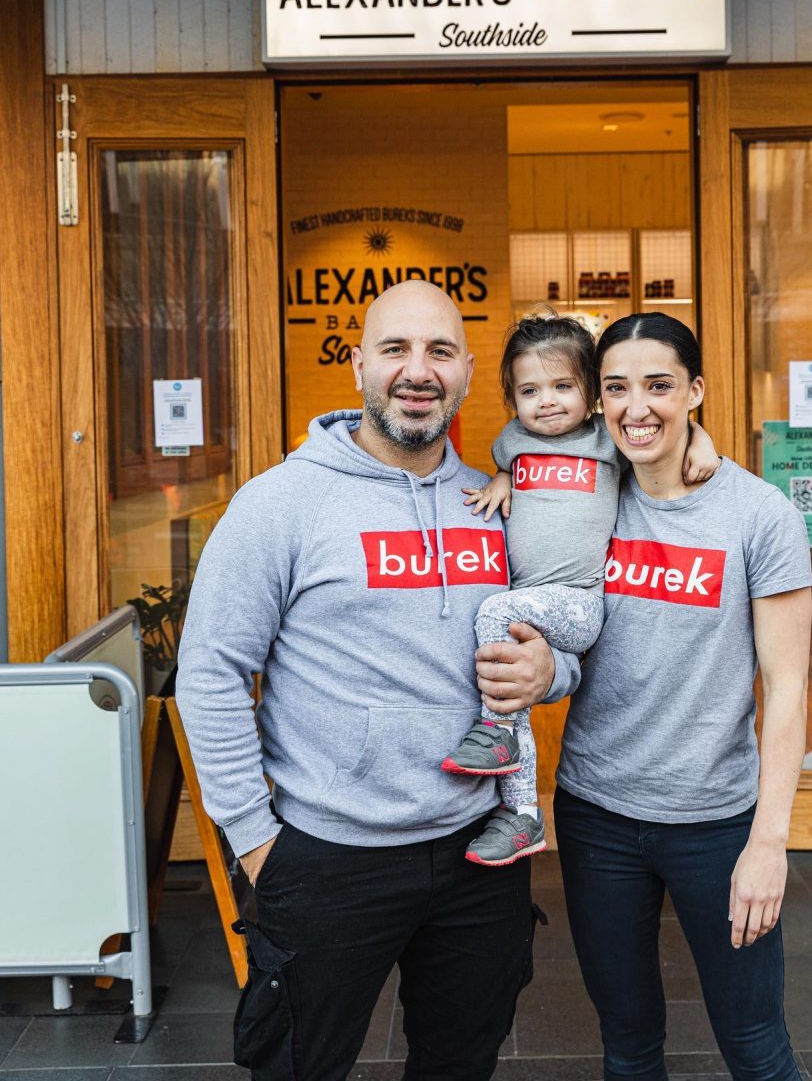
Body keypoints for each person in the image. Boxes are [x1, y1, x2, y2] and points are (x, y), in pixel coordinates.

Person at [175, 281, 581, 1081]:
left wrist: (550, 669)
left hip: (477, 849)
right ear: (358, 363)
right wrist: (256, 842)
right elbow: (211, 672)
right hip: (328, 853)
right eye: (395, 349)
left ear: (466, 370)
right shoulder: (280, 504)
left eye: (437, 352)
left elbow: (563, 626)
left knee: (459, 1064)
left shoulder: (499, 506)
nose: (416, 371)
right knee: (298, 1065)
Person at [554, 312, 812, 1081]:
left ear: (695, 391)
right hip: (596, 815)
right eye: (616, 388)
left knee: (754, 1044)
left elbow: (789, 688)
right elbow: (532, 397)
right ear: (597, 401)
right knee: (627, 1045)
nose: (637, 407)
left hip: (716, 823)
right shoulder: (584, 497)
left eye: (659, 386)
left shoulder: (758, 515)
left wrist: (769, 843)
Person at [444, 312, 718, 867]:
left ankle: (494, 736)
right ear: (511, 398)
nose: (547, 401)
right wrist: (501, 478)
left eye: (563, 386)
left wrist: (701, 440)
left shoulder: (605, 440)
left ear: (591, 392)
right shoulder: (512, 443)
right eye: (530, 390)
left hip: (578, 602)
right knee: (512, 692)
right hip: (530, 606)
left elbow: (656, 434)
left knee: (497, 625)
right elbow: (509, 465)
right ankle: (520, 814)